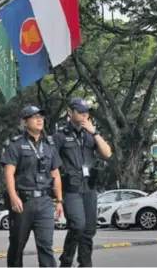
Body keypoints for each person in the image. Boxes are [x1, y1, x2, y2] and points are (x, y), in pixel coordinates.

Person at [1, 105, 63, 267]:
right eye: (34, 117)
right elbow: (8, 173)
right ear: (24, 121)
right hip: (23, 202)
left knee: (46, 247)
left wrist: (59, 200)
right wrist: (13, 197)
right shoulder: (16, 144)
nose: (39, 120)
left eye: (41, 117)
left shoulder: (49, 145)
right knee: (17, 246)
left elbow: (55, 174)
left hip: (44, 202)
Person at [53, 98, 112, 267]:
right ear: (70, 112)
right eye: (81, 112)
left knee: (89, 230)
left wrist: (94, 132)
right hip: (71, 188)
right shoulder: (60, 136)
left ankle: (85, 264)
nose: (85, 115)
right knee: (78, 226)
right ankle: (66, 260)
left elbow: (107, 154)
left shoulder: (91, 134)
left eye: (87, 112)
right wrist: (56, 195)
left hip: (89, 187)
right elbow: (53, 166)